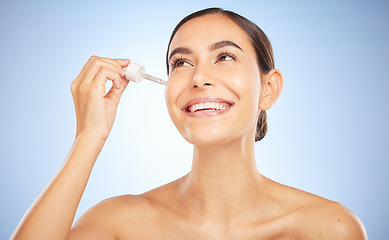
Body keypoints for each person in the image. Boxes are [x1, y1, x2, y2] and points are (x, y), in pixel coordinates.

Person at [11, 8, 367, 239]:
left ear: (268, 90)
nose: (199, 78)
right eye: (181, 63)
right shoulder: (117, 224)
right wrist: (89, 136)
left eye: (224, 56)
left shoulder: (327, 227)